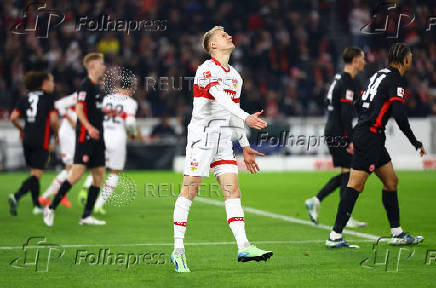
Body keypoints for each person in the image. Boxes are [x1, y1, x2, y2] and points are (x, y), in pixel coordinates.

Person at [170, 26, 272, 273]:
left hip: (224, 139)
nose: (228, 36)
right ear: (212, 45)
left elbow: (232, 112)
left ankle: (244, 245)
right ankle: (178, 250)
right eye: (222, 35)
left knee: (232, 190)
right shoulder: (206, 69)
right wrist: (247, 116)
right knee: (189, 190)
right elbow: (218, 97)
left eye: (227, 34)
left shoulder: (236, 76)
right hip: (203, 136)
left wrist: (245, 145)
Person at [326, 43, 426, 248]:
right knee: (355, 185)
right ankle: (335, 235)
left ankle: (397, 233)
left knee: (391, 181)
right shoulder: (396, 79)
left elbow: (360, 101)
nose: (412, 60)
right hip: (370, 137)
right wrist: (414, 141)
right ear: (405, 59)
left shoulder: (378, 74)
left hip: (373, 136)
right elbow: (398, 113)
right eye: (411, 57)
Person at [305, 47, 367, 228]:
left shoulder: (339, 79)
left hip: (333, 129)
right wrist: (349, 140)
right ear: (355, 60)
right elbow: (346, 114)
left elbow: (327, 101)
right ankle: (326, 205)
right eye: (362, 58)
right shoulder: (346, 82)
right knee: (350, 172)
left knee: (346, 172)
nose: (364, 62)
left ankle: (320, 203)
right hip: (339, 133)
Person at [43, 53, 107, 226]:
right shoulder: (85, 86)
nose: (104, 67)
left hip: (98, 138)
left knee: (99, 175)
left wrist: (107, 114)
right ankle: (50, 207)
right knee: (76, 174)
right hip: (85, 137)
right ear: (92, 66)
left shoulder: (98, 88)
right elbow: (79, 111)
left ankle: (86, 216)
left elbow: (95, 110)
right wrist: (88, 127)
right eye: (101, 64)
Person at [8, 71, 59, 216]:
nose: (53, 84)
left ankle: (36, 205)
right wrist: (56, 135)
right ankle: (16, 196)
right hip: (41, 140)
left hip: (27, 139)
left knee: (35, 173)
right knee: (36, 174)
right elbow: (54, 120)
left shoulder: (25, 97)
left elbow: (13, 117)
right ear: (44, 83)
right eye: (51, 81)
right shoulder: (49, 98)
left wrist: (22, 130)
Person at [92, 72, 138, 214]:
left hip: (102, 136)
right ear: (130, 90)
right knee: (114, 172)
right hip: (117, 139)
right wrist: (133, 134)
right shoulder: (130, 103)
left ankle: (86, 192)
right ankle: (98, 204)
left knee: (98, 168)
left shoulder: (106, 99)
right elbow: (130, 122)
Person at [39, 93, 77, 208]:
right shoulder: (79, 95)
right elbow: (58, 104)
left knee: (73, 169)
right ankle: (46, 196)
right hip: (68, 134)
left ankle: (58, 193)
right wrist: (70, 120)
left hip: (74, 135)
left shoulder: (93, 98)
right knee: (72, 168)